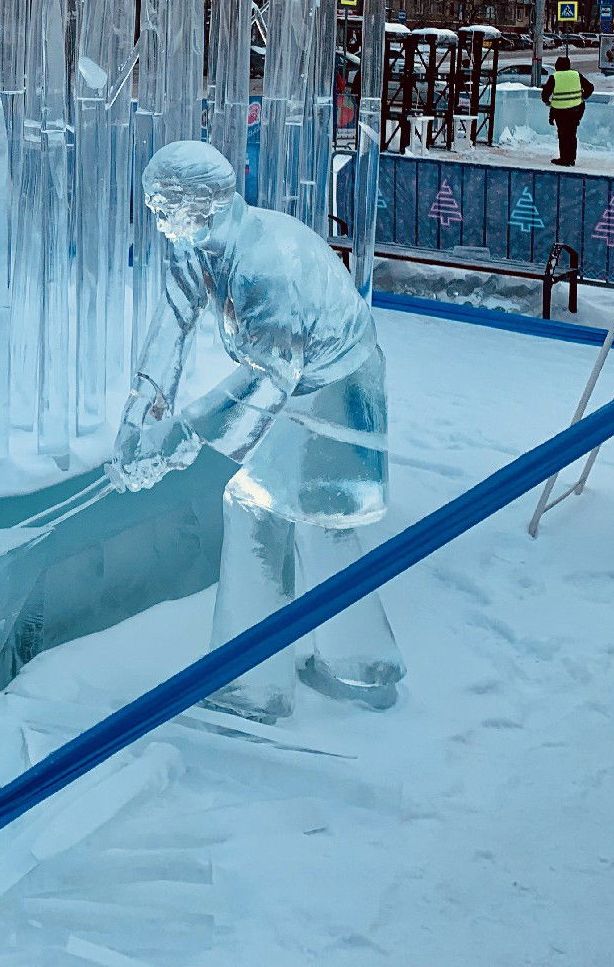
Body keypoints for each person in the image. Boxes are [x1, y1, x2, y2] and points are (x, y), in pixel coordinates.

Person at [111, 140, 402, 722]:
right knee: (315, 523)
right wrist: (138, 413)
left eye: (162, 209)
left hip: (339, 392)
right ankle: (365, 667)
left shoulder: (266, 263)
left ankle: (254, 686)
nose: (157, 221)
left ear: (202, 205)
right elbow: (173, 323)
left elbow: (268, 378)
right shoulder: (198, 247)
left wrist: (181, 437)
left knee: (260, 508)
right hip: (305, 386)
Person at [541, 53, 594, 167]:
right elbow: (590, 87)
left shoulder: (555, 77)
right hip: (576, 110)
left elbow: (545, 94)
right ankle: (571, 159)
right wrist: (583, 97)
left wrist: (547, 102)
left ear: (557, 66)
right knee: (571, 134)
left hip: (560, 111)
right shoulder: (576, 75)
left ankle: (564, 158)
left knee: (563, 134)